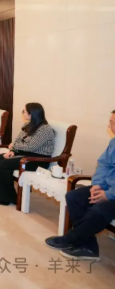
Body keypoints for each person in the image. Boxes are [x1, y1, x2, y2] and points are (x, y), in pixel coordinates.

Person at [45, 111, 115, 261]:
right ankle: (89, 247)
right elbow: (104, 165)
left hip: (112, 193)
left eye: (112, 123)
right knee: (74, 197)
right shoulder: (113, 143)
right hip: (107, 187)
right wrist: (97, 185)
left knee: (99, 210)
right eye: (110, 122)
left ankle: (70, 239)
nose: (109, 126)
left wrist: (109, 194)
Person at [0, 103, 54, 206]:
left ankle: (9, 197)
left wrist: (14, 145)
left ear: (32, 113)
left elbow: (31, 147)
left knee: (4, 164)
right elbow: (18, 141)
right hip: (24, 154)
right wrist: (13, 151)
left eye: (24, 111)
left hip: (38, 160)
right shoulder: (27, 125)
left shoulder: (45, 129)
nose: (23, 113)